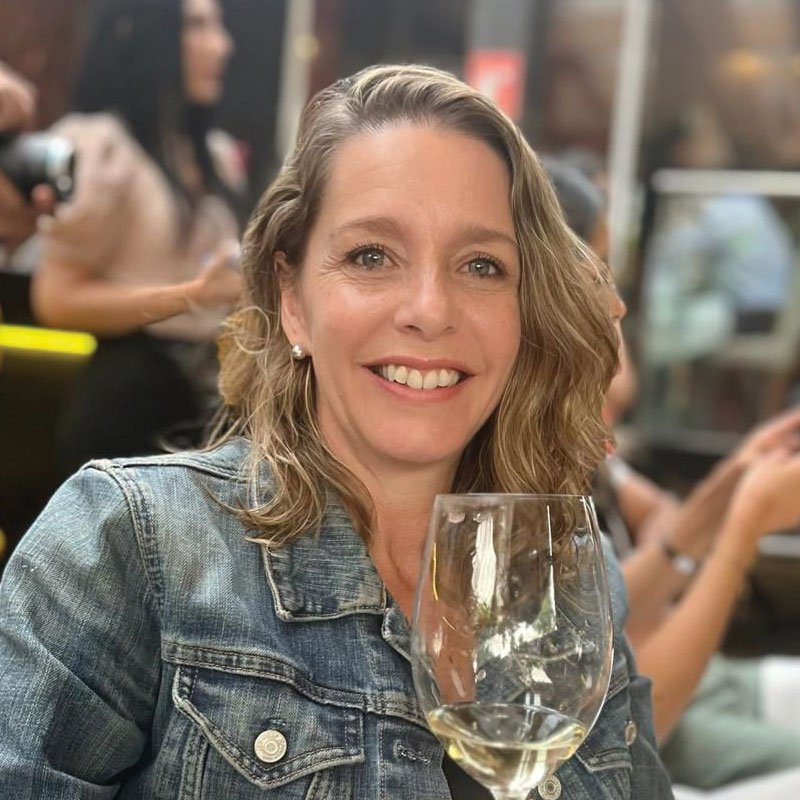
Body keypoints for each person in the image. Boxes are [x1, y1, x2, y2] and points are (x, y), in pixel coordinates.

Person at [0, 64, 674, 798]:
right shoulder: (128, 547)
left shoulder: (567, 574)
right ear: (292, 300)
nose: (429, 310)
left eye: (482, 265)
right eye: (370, 256)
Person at [544, 157, 800, 792]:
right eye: (597, 272)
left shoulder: (588, 459)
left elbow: (623, 597)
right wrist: (740, 531)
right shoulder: (520, 479)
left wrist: (734, 482)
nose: (619, 304)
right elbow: (642, 708)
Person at [30, 0, 244, 476]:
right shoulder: (102, 144)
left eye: (218, 27)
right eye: (196, 26)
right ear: (143, 32)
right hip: (130, 400)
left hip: (205, 399)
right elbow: (56, 297)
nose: (221, 46)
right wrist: (190, 295)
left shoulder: (210, 152)